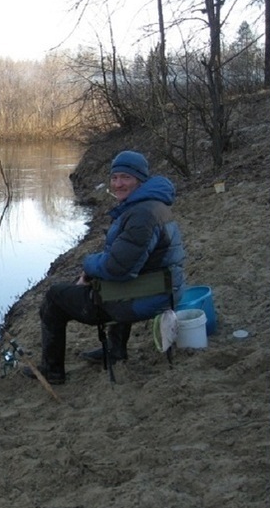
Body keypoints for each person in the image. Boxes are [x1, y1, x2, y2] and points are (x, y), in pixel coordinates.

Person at [23, 150, 185, 385]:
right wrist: (93, 271)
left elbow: (119, 269)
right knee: (119, 282)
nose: (118, 184)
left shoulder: (142, 215)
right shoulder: (151, 205)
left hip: (151, 297)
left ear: (140, 180)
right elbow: (125, 260)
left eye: (126, 178)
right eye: (115, 177)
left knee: (54, 297)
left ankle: (52, 370)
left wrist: (88, 264)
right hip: (160, 289)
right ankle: (115, 350)